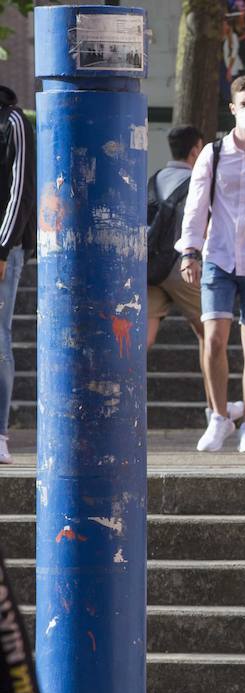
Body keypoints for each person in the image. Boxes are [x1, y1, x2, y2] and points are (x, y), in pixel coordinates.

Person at [178, 75, 245, 455]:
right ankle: (219, 416)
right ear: (232, 108)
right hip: (218, 256)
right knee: (214, 338)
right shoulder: (214, 153)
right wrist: (189, 250)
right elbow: (196, 203)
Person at [148, 126, 207, 352]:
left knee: (144, 339)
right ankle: (212, 389)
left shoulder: (155, 179)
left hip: (152, 269)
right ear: (194, 151)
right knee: (209, 335)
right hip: (181, 268)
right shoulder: (197, 182)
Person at [0, 84, 35, 467]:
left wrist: (3, 247)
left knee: (0, 336)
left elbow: (21, 189)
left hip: (5, 246)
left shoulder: (13, 121)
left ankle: (0, 432)